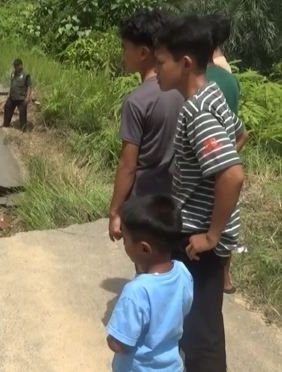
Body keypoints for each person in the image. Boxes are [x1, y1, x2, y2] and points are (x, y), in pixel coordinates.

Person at [153, 15, 246, 372]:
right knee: (198, 325)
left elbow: (232, 174)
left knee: (200, 334)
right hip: (198, 229)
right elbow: (240, 135)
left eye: (161, 63)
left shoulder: (198, 111)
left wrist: (211, 234)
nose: (157, 71)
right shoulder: (214, 94)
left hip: (199, 241)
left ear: (185, 62)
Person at [108, 9, 184, 274]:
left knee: (148, 272)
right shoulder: (182, 91)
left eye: (125, 47)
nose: (122, 53)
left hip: (146, 205)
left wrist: (115, 212)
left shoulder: (137, 101)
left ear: (143, 53)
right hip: (177, 202)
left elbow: (128, 166)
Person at [106, 194, 194, 372]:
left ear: (144, 248)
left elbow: (120, 343)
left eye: (126, 239)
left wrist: (111, 339)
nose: (124, 244)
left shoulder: (136, 291)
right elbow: (185, 308)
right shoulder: (182, 272)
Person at [203, 13, 250, 295]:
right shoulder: (229, 78)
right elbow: (237, 128)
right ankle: (226, 276)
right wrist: (230, 153)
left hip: (206, 154)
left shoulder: (202, 76)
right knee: (227, 213)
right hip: (226, 152)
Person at [1, 58, 32, 131]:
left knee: (22, 113)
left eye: (16, 66)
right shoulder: (13, 73)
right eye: (14, 66)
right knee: (7, 107)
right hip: (12, 97)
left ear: (21, 65)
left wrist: (28, 97)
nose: (15, 67)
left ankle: (23, 129)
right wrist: (9, 94)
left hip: (21, 98)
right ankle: (6, 124)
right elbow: (11, 84)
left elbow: (29, 86)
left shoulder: (26, 75)